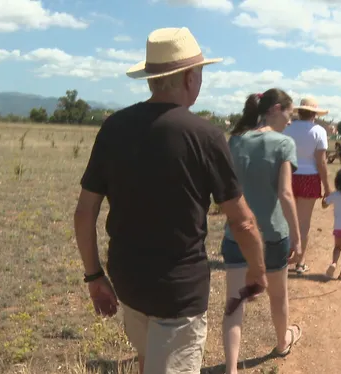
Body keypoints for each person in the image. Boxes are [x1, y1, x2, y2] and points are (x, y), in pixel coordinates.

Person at [73, 27, 267, 374]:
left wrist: (93, 276)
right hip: (178, 292)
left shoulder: (113, 128)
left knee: (149, 357)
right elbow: (243, 221)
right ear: (190, 78)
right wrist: (257, 268)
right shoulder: (205, 136)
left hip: (127, 279)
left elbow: (85, 211)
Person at [221, 89, 303, 373]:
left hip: (237, 234)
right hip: (273, 235)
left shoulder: (236, 141)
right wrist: (298, 236)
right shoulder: (283, 144)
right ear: (276, 109)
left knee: (234, 304)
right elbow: (286, 194)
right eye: (289, 114)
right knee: (279, 296)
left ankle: (230, 368)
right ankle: (283, 343)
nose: (290, 121)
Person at [283, 97, 332, 275]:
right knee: (304, 223)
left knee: (289, 220)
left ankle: (285, 257)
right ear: (314, 114)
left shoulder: (288, 128)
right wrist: (327, 188)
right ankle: (300, 262)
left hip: (288, 175)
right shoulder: (319, 131)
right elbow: (321, 162)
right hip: (309, 177)